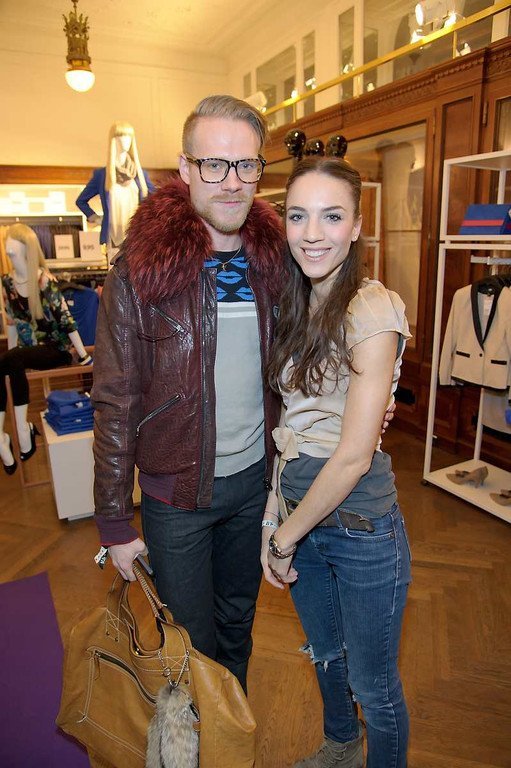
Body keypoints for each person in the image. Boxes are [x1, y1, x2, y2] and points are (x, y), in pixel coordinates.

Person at [91, 95, 286, 691]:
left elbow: (301, 365)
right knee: (189, 642)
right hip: (176, 496)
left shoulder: (277, 264)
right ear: (185, 167)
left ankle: (230, 728)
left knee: (238, 625)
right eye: (214, 164)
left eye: (246, 164)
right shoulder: (139, 272)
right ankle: (196, 734)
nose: (231, 181)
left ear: (259, 168)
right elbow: (116, 398)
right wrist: (114, 519)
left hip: (253, 487)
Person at [262, 157, 412, 768]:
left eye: (331, 216)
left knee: (374, 688)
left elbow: (352, 456)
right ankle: (341, 747)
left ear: (356, 226)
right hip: (300, 513)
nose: (312, 233)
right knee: (326, 655)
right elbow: (292, 427)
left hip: (358, 529)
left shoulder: (371, 309)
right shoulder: (298, 302)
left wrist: (283, 539)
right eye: (298, 216)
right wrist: (275, 516)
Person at [0, 223, 92, 474]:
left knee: (11, 359)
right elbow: (12, 324)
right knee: (7, 362)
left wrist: (83, 355)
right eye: (9, 252)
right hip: (26, 353)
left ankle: (22, 431)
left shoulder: (44, 280)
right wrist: (9, 359)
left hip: (55, 350)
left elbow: (66, 319)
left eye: (14, 251)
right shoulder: (7, 283)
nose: (10, 254)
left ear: (27, 250)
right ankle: (3, 438)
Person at [75, 121, 154, 258]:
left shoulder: (140, 175)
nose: (125, 141)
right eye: (121, 136)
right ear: (114, 140)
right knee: (115, 271)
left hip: (137, 238)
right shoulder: (103, 176)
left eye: (129, 137)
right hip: (114, 239)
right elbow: (81, 201)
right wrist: (96, 218)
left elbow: (158, 200)